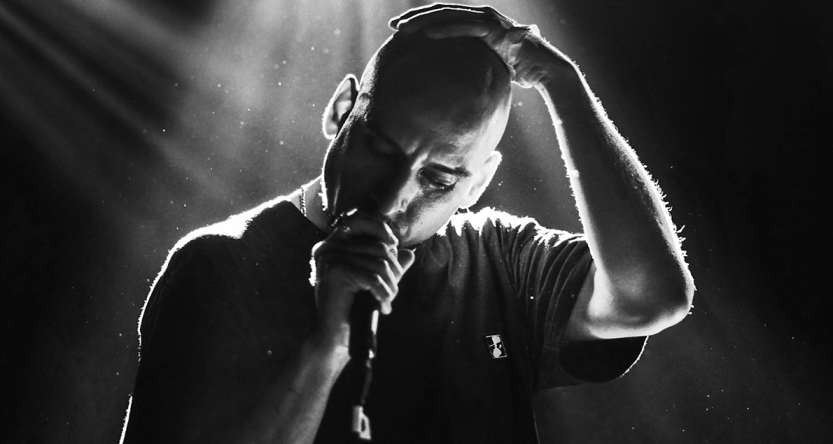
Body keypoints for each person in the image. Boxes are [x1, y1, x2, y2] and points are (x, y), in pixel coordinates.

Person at [121, 4, 694, 444]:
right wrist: (326, 350)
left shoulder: (501, 263)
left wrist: (562, 84)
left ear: (478, 184)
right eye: (379, 147)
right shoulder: (219, 265)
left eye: (439, 179)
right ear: (341, 111)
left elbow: (652, 298)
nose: (394, 195)